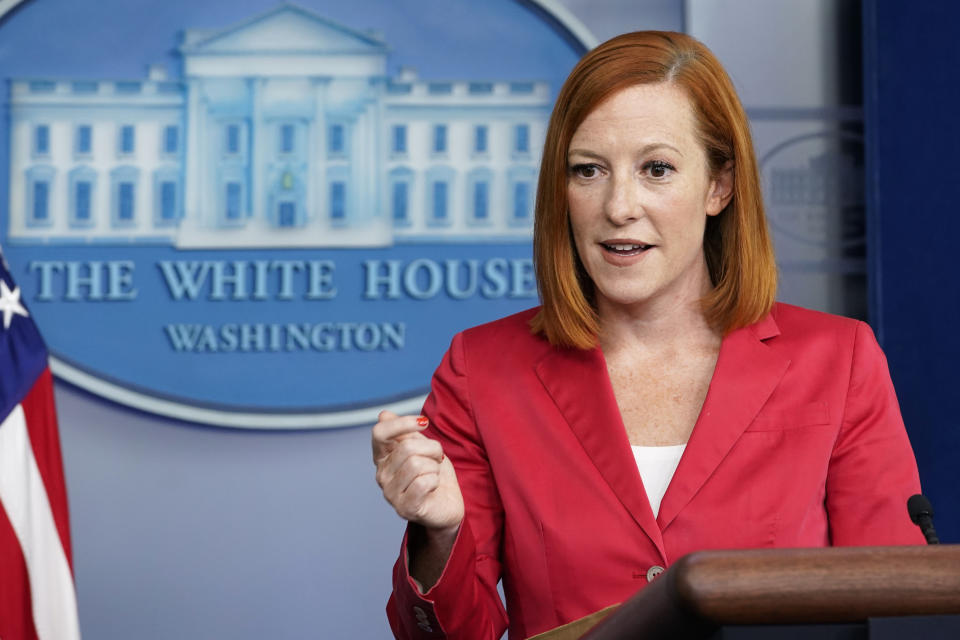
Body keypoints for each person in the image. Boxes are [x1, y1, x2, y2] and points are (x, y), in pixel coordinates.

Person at [371, 31, 923, 640]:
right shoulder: (482, 368)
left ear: (720, 185)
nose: (619, 206)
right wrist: (440, 534)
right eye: (589, 171)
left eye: (656, 168)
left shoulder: (838, 360)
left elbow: (894, 600)